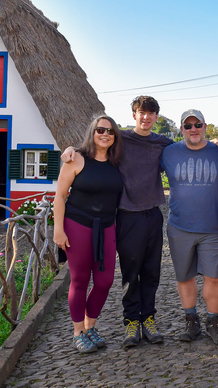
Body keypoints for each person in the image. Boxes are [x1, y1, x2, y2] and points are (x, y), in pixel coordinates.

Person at [62, 96, 172, 348]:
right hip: (126, 215)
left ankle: (149, 320)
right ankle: (131, 321)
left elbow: (188, 145)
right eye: (141, 112)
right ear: (134, 114)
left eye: (151, 113)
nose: (146, 117)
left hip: (153, 214)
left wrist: (214, 142)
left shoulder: (163, 142)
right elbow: (94, 146)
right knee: (130, 272)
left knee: (152, 271)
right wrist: (71, 149)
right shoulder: (120, 138)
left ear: (157, 117)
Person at [53, 115, 124, 354]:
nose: (105, 134)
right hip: (78, 225)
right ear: (92, 132)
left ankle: (90, 326)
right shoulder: (75, 159)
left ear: (115, 137)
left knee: (105, 282)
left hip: (107, 227)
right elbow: (60, 196)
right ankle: (78, 332)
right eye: (100, 130)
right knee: (80, 280)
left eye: (110, 131)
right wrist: (58, 230)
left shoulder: (117, 162)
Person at [160, 109, 218, 345]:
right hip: (179, 226)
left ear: (205, 126)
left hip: (213, 227)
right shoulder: (168, 152)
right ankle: (191, 321)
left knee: (214, 277)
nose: (193, 129)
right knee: (184, 276)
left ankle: (214, 322)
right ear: (181, 129)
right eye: (188, 126)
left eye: (197, 125)